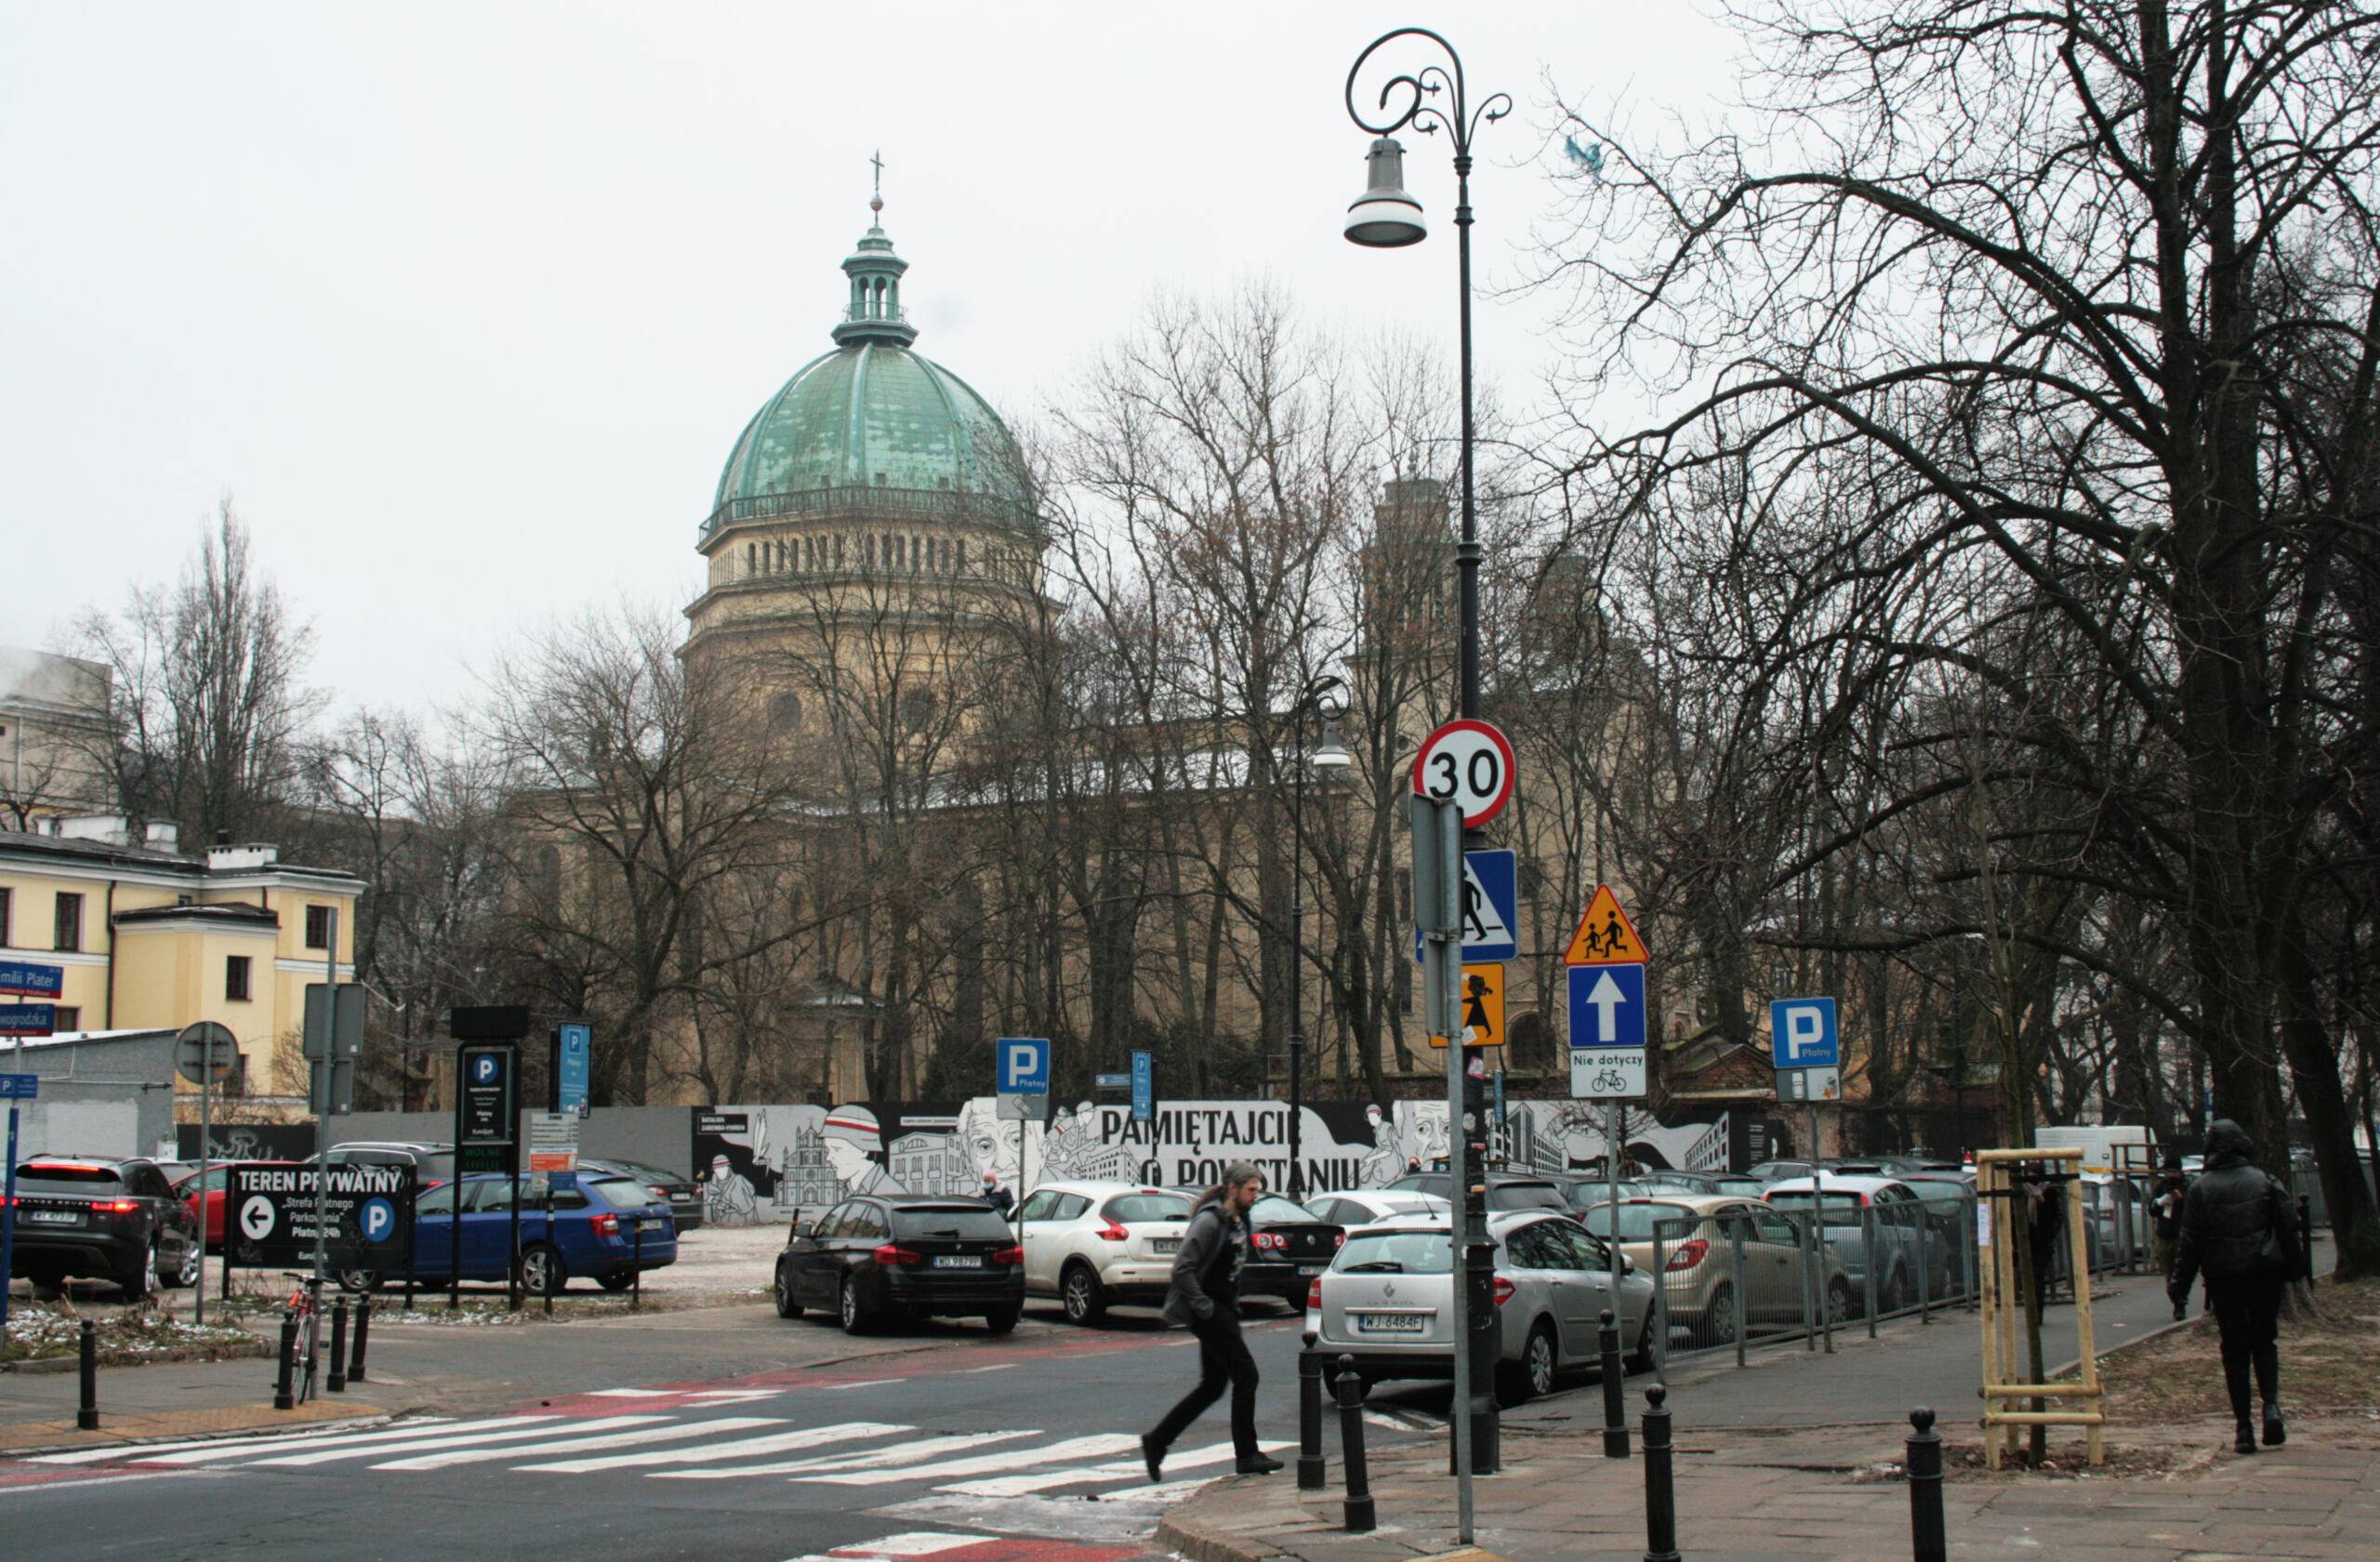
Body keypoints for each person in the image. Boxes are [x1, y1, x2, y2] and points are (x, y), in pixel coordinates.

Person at [2167, 1119, 2303, 1455]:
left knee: (2234, 1349)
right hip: (2263, 1273)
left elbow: (2189, 1243)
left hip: (2223, 1277)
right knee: (2264, 1339)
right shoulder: (2265, 1182)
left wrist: (2179, 1285)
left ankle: (2243, 1427)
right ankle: (2271, 1406)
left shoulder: (2200, 1188)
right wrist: (2293, 1270)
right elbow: (2289, 1225)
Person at [1142, 1161, 1282, 1479]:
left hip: (1223, 1309)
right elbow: (1181, 1269)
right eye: (1250, 1190)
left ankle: (1157, 1441)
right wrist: (1203, 1306)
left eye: (1257, 1190)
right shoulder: (1209, 1221)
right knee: (1247, 1375)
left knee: (1213, 1386)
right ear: (1233, 1188)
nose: (1255, 1196)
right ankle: (1247, 1454)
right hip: (1211, 1311)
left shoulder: (1239, 1219)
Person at [2151, 1153, 2189, 1298]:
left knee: (2181, 1271)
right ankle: (2174, 1296)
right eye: (2168, 1172)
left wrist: (2180, 1199)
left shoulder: (2186, 1185)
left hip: (2182, 1234)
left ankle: (2181, 1301)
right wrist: (2158, 1204)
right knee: (2168, 1271)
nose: (2171, 1175)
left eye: (2174, 1171)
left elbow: (2192, 1207)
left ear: (2180, 1171)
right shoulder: (2161, 1186)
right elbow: (2152, 1209)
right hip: (2165, 1233)